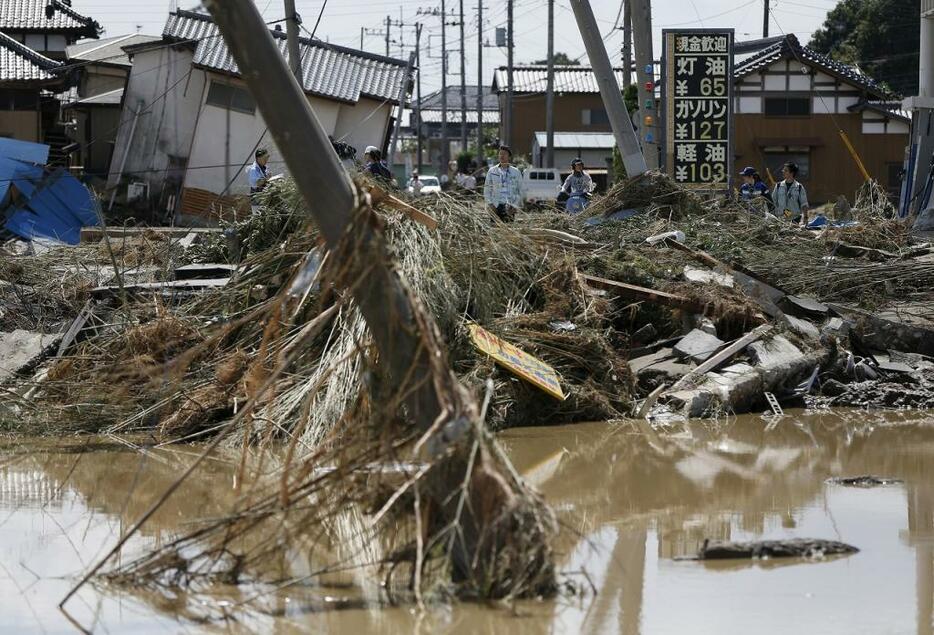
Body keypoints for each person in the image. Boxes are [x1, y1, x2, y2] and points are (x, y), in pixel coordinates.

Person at [483, 145, 524, 222]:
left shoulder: (516, 172)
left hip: (509, 206)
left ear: (509, 157)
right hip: (495, 205)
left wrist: (515, 206)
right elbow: (487, 189)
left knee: (508, 231)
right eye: (500, 153)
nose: (502, 156)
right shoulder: (492, 171)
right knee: (494, 230)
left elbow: (521, 190)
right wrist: (490, 204)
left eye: (504, 154)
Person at [772, 161, 810, 226]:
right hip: (780, 220)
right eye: (783, 170)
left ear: (791, 173)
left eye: (785, 170)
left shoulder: (799, 187)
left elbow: (804, 204)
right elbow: (773, 202)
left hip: (794, 220)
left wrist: (805, 217)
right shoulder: (778, 186)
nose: (782, 171)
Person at [247, 148, 271, 214]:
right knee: (258, 216)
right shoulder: (253, 170)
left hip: (264, 197)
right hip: (257, 198)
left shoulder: (265, 167)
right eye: (264, 158)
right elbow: (257, 183)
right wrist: (267, 178)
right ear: (258, 158)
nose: (266, 160)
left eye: (267, 158)